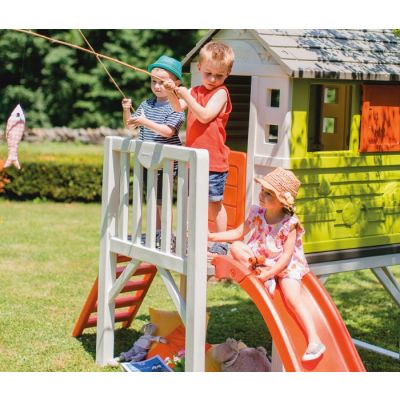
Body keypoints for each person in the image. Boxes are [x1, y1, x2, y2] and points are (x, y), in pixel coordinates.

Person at [208, 167, 326, 362]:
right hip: (261, 259)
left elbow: (286, 256)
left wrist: (272, 272)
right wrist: (213, 236)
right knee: (236, 247)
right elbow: (238, 233)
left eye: (268, 193)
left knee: (292, 298)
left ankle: (315, 341)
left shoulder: (290, 224)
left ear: (282, 201)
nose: (261, 195)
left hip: (284, 266)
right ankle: (263, 274)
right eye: (262, 190)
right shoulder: (257, 212)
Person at [164, 41, 235, 240]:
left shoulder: (221, 93)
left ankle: (222, 240)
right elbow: (177, 107)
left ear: (227, 74)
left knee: (214, 203)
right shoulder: (195, 91)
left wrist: (186, 95)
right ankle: (197, 236)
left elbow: (205, 116)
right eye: (208, 73)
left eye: (219, 75)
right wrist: (171, 91)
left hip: (214, 162)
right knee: (194, 200)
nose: (212, 79)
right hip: (194, 159)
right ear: (199, 67)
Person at [122, 55, 185, 230]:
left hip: (165, 163)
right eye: (153, 81)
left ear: (175, 84)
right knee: (151, 199)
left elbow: (168, 132)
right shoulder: (147, 104)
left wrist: (145, 122)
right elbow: (131, 126)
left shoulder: (176, 106)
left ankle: (165, 233)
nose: (157, 86)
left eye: (162, 82)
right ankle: (156, 232)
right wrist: (127, 110)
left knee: (162, 201)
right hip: (147, 159)